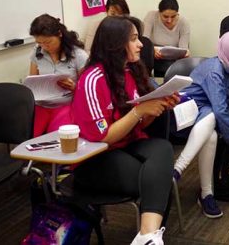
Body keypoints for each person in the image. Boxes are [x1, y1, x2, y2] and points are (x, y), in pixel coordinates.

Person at [71, 16, 179, 245]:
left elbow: (140, 125)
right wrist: (140, 111)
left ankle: (147, 236)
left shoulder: (132, 72)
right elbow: (103, 137)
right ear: (115, 44)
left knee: (163, 148)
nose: (141, 44)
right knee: (158, 180)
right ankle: (149, 237)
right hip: (97, 155)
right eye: (133, 39)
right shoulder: (92, 79)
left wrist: (156, 108)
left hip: (128, 143)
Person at [173, 31, 229, 218]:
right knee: (214, 116)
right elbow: (221, 110)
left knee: (212, 134)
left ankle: (206, 193)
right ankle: (179, 168)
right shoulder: (215, 71)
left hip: (206, 117)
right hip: (183, 115)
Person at [29, 14, 88, 137]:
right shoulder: (37, 52)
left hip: (66, 105)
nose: (44, 47)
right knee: (29, 138)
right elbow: (32, 82)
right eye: (40, 43)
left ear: (59, 34)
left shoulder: (78, 55)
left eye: (48, 42)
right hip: (42, 105)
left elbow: (88, 89)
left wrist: (74, 87)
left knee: (57, 139)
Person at [143, 0, 190, 77]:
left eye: (173, 16)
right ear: (159, 12)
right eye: (165, 16)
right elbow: (144, 41)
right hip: (153, 58)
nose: (169, 20)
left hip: (173, 61)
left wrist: (186, 53)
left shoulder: (183, 22)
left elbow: (184, 48)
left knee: (175, 68)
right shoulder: (151, 16)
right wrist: (152, 49)